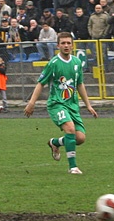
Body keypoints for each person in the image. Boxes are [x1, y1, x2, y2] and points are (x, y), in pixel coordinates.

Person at [24, 32, 98, 175]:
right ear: (58, 45)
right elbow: (41, 84)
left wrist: (88, 105)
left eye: (68, 43)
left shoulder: (77, 62)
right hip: (56, 104)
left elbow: (80, 84)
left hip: (72, 105)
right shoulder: (53, 63)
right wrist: (31, 103)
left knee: (80, 138)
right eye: (63, 43)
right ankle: (73, 167)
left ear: (72, 45)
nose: (66, 46)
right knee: (70, 129)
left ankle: (55, 143)